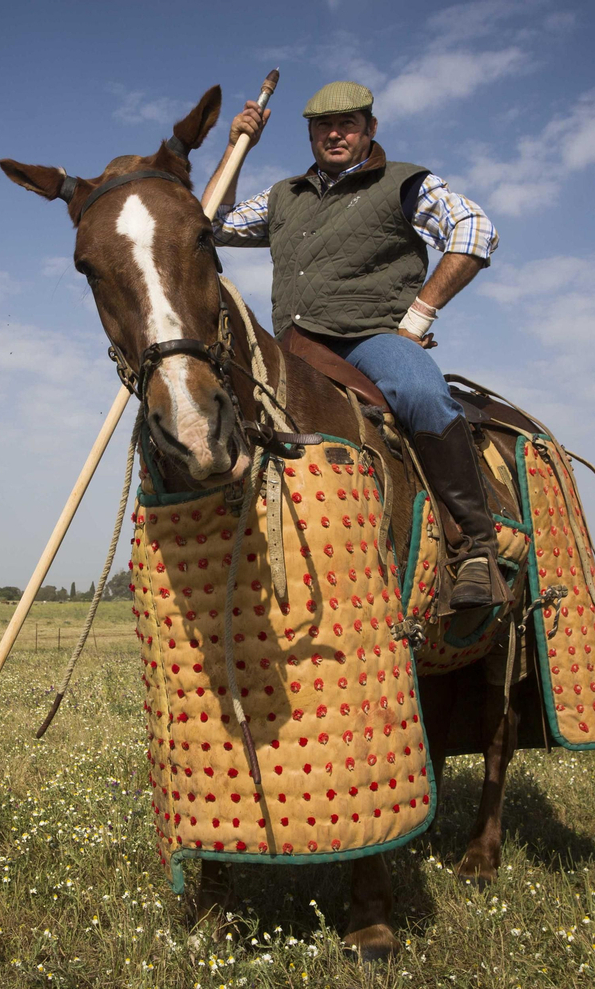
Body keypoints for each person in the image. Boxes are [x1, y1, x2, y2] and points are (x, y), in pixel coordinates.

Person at [206, 80, 505, 610]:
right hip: (292, 345)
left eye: (348, 124)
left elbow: (474, 230)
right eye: (323, 126)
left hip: (369, 339)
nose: (335, 134)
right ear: (311, 134)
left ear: (370, 129)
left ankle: (475, 548)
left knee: (421, 393)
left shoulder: (403, 183)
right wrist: (235, 148)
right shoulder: (284, 195)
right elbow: (212, 224)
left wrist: (417, 317)